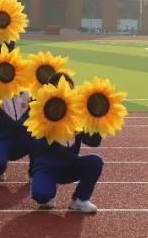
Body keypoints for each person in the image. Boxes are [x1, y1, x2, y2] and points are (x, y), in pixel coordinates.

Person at [29, 73, 104, 213]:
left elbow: (94, 142)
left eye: (69, 89)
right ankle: (44, 185)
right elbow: (35, 146)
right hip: (48, 167)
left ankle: (80, 199)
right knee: (42, 196)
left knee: (95, 162)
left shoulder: (78, 115)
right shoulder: (43, 113)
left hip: (70, 165)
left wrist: (95, 119)